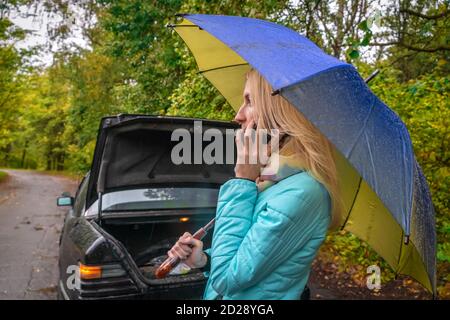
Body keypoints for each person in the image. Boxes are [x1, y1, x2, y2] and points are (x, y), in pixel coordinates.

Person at [167, 68, 342, 300]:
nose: (238, 116)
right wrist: (204, 259)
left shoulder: (303, 193)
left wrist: (242, 181)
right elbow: (244, 255)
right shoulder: (274, 177)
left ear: (280, 112)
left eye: (249, 101)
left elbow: (226, 279)